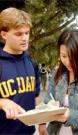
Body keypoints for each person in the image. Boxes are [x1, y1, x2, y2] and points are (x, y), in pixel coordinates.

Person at [0, 7, 46, 135]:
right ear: (4, 34)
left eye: (27, 33)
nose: (25, 38)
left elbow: (35, 98)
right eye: (18, 34)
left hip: (30, 131)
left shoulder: (32, 63)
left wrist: (46, 111)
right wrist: (1, 102)